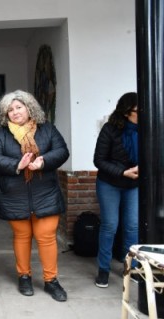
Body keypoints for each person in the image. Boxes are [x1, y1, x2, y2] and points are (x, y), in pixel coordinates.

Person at [0, 90, 69, 302]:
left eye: (19, 107)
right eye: (10, 110)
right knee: (22, 238)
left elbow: (61, 151)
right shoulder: (1, 134)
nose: (15, 112)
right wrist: (16, 164)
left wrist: (44, 161)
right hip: (15, 195)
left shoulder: (47, 129)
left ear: (29, 108)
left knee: (46, 237)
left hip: (45, 193)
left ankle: (51, 280)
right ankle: (24, 276)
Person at [93, 92, 139, 288]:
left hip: (134, 184)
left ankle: (132, 268)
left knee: (132, 226)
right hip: (109, 183)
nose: (141, 114)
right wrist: (123, 172)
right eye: (138, 111)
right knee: (110, 225)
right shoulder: (110, 129)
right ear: (127, 112)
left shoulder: (147, 129)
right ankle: (103, 269)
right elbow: (99, 160)